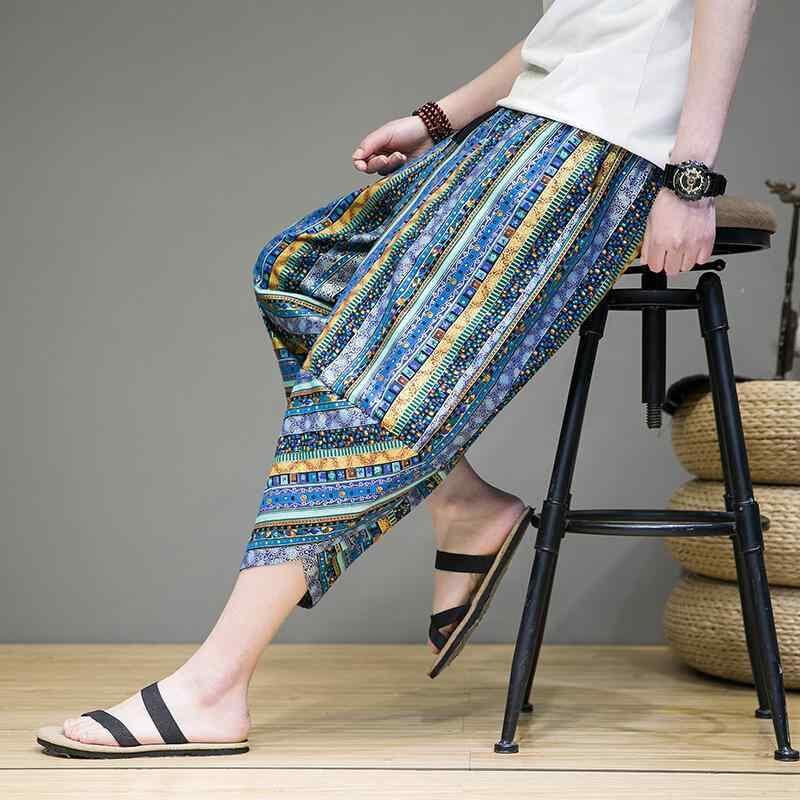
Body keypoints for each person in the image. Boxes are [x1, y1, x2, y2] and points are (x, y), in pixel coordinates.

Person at [37, 0, 756, 758]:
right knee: (298, 271)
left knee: (384, 382)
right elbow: (577, 26)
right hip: (521, 127)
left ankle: (213, 685)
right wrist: (435, 119)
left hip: (600, 147)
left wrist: (689, 181)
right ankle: (463, 501)